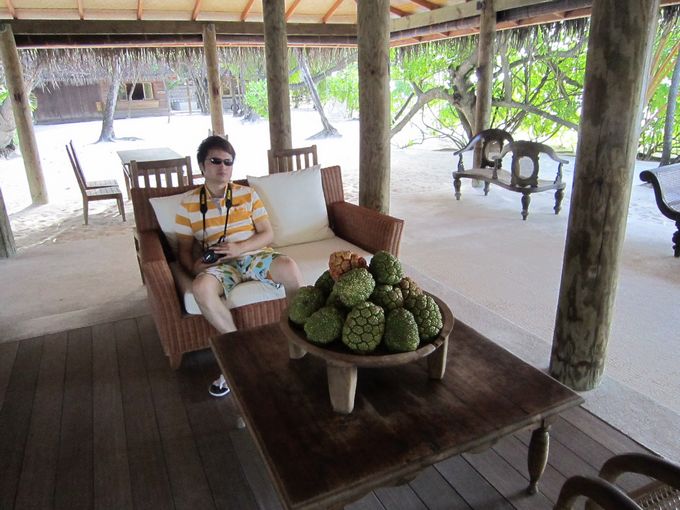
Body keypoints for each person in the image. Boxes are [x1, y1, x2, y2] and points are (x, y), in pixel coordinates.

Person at [175, 135, 303, 397]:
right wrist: (195, 268)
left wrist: (240, 248)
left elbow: (267, 234)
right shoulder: (188, 204)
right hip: (220, 264)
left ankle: (300, 341)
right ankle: (239, 352)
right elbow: (184, 251)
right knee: (201, 288)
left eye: (228, 162)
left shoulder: (247, 194)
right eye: (215, 161)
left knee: (289, 267)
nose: (223, 166)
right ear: (202, 165)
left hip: (252, 254)